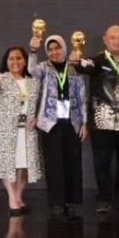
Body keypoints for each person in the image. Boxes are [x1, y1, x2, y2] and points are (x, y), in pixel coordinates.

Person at [74, 25, 119, 215]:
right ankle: (104, 198)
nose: (116, 41)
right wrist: (76, 60)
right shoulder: (97, 61)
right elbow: (81, 66)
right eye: (112, 38)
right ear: (105, 41)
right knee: (102, 163)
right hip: (102, 123)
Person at [30, 34, 88, 218]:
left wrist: (84, 122)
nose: (54, 52)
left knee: (73, 161)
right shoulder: (44, 68)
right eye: (50, 49)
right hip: (50, 121)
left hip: (72, 120)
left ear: (64, 48)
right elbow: (31, 70)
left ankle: (72, 200)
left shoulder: (74, 67)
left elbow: (82, 95)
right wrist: (33, 51)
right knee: (54, 162)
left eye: (57, 48)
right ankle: (57, 202)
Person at [0, 47, 42, 216]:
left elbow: (41, 103)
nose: (15, 62)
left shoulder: (34, 82)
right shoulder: (1, 79)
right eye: (11, 59)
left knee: (23, 165)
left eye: (19, 58)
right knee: (9, 164)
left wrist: (37, 118)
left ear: (25, 61)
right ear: (6, 61)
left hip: (27, 130)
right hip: (6, 129)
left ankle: (18, 196)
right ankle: (12, 198)